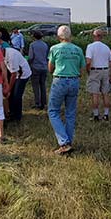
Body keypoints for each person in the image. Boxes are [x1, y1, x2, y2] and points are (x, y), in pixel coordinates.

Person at [47, 25, 86, 154]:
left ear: (59, 37)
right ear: (70, 36)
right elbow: (82, 69)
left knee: (53, 111)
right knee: (70, 112)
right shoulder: (78, 49)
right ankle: (68, 140)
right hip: (74, 80)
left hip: (60, 80)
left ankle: (63, 142)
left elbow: (50, 68)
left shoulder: (55, 49)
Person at [85, 28, 111, 120]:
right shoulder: (106, 47)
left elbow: (88, 61)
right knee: (105, 93)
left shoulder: (90, 47)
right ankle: (106, 114)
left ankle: (96, 115)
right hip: (105, 70)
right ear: (101, 37)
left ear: (94, 36)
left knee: (95, 94)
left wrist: (88, 71)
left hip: (95, 70)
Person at [4, 40, 32, 121]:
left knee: (16, 95)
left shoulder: (11, 56)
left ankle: (17, 117)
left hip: (22, 75)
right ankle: (11, 112)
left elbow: (13, 75)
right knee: (11, 95)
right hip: (15, 73)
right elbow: (5, 69)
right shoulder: (3, 54)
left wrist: (8, 89)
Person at [27, 31, 50, 110]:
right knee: (43, 85)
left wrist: (28, 64)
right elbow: (47, 57)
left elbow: (31, 57)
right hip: (44, 67)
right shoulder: (45, 45)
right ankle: (44, 102)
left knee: (36, 86)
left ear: (34, 37)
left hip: (35, 67)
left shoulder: (32, 45)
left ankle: (37, 103)